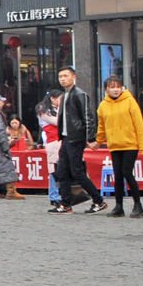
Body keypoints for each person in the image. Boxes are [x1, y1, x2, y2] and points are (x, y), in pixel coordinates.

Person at [51, 66, 107, 214]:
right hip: (66, 138)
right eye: (60, 76)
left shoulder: (80, 94)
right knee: (62, 171)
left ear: (74, 77)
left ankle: (98, 200)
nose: (63, 79)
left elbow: (88, 117)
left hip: (76, 138)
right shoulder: (65, 95)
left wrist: (91, 138)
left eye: (66, 76)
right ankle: (65, 203)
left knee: (77, 172)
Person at [93, 74, 143, 218]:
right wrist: (98, 141)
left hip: (130, 144)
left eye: (118, 87)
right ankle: (119, 207)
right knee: (118, 175)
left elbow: (139, 124)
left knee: (127, 173)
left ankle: (138, 206)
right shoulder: (103, 106)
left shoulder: (130, 101)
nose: (116, 90)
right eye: (112, 87)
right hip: (115, 145)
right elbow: (102, 127)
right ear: (106, 90)